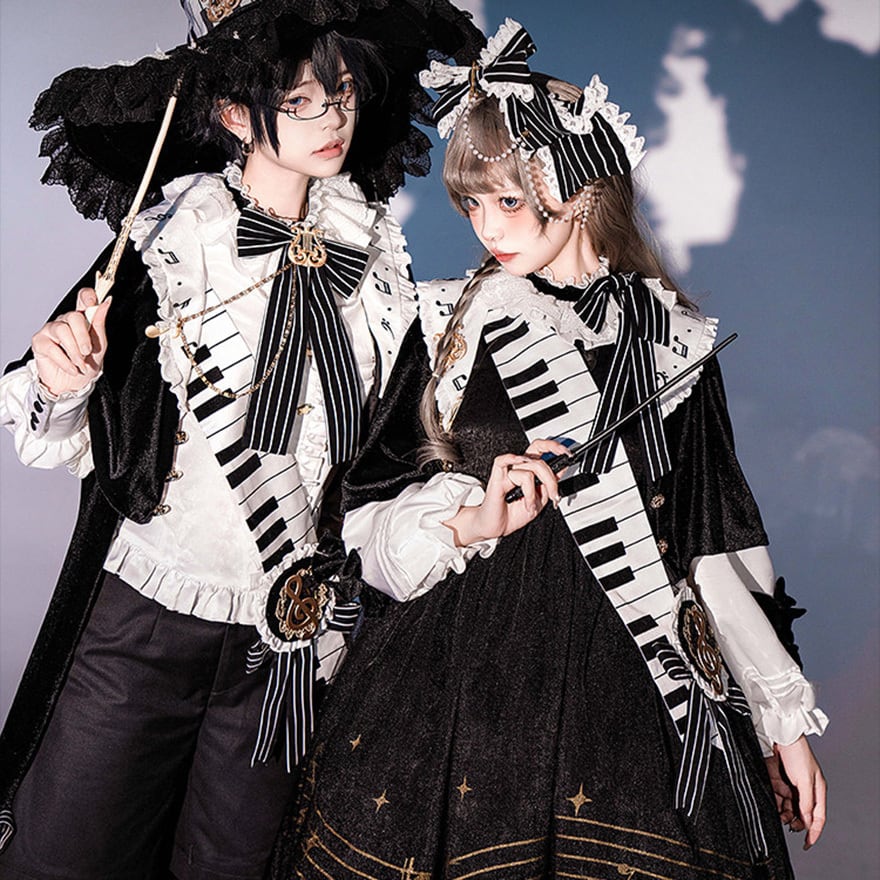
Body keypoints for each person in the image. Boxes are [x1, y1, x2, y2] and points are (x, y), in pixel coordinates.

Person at [269, 19, 828, 880]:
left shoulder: (675, 342)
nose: (486, 226)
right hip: (458, 674)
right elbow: (364, 509)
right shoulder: (451, 320)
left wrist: (781, 725)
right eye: (472, 203)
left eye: (507, 201)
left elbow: (712, 542)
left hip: (634, 686)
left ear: (581, 190)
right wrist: (468, 519)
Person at [0, 1, 482, 878]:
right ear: (233, 114)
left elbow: (377, 479)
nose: (333, 118)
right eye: (300, 101)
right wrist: (65, 379)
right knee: (67, 856)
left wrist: (459, 521)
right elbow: (61, 427)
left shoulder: (377, 267)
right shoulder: (168, 243)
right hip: (142, 624)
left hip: (282, 647)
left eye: (343, 93)